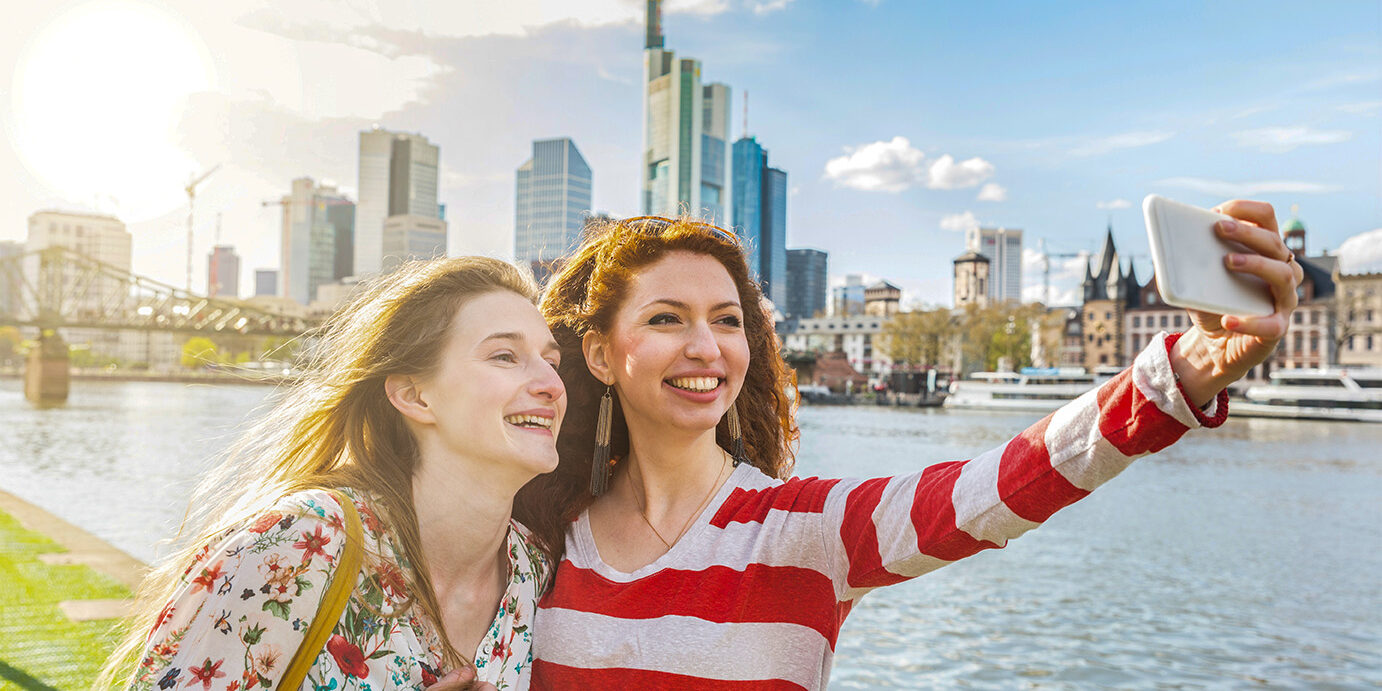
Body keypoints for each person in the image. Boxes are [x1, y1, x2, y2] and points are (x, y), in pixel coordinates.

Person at [515, 203, 1302, 689]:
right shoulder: (536, 538)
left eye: (727, 319)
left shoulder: (809, 529)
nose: (707, 346)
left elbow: (1004, 485)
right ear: (596, 354)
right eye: (665, 318)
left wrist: (1191, 368)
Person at [99, 257, 566, 690]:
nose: (551, 384)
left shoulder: (532, 568)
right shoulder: (298, 545)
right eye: (505, 356)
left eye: (552, 361)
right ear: (414, 395)